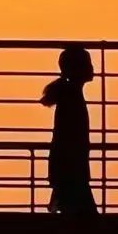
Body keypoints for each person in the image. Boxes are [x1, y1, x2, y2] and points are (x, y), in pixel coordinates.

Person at [40, 46, 98, 216]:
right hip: (72, 175)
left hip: (67, 174)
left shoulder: (69, 94)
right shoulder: (72, 97)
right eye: (87, 64)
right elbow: (69, 140)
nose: (92, 68)